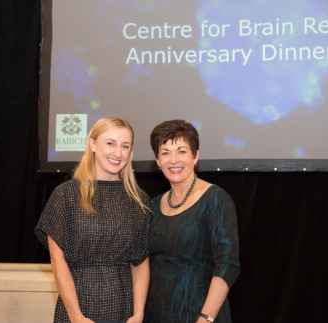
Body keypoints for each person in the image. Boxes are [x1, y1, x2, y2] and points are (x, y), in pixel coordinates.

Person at [35, 117, 150, 323]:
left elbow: (140, 263)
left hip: (123, 309)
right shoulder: (66, 195)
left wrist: (139, 314)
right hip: (78, 307)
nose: (118, 153)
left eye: (125, 146)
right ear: (92, 144)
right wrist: (76, 316)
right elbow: (58, 262)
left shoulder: (138, 201)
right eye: (110, 143)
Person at [144, 120, 240, 323]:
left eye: (181, 151)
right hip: (157, 313)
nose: (173, 160)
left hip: (200, 313)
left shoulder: (216, 199)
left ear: (195, 156)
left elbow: (228, 265)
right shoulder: (152, 206)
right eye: (165, 152)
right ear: (158, 160)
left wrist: (206, 317)